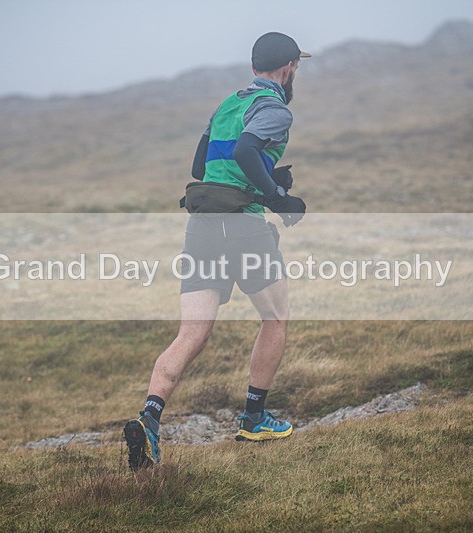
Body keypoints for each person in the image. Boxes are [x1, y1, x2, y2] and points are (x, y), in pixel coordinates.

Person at [123, 32, 311, 471]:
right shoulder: (276, 109)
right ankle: (253, 417)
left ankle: (149, 419)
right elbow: (246, 149)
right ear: (288, 69)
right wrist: (276, 198)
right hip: (242, 225)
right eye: (297, 67)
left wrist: (268, 176)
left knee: (191, 334)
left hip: (201, 227)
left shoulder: (227, 104)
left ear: (253, 68)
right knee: (275, 317)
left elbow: (201, 165)